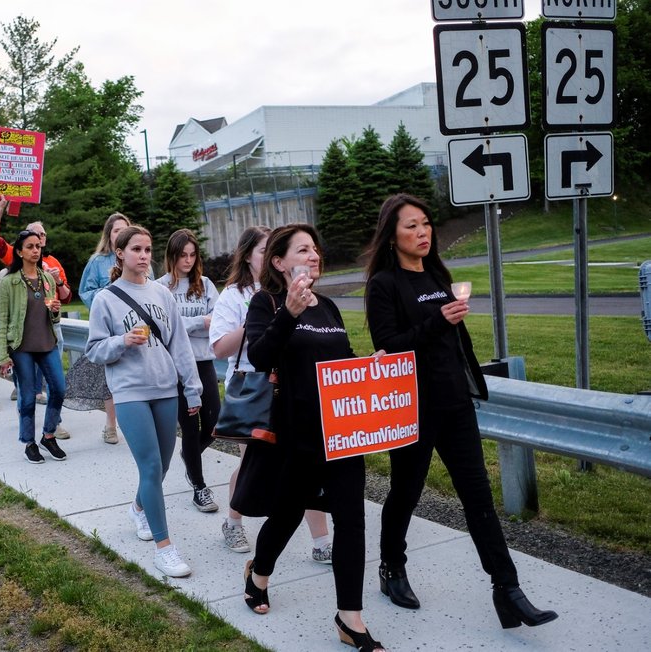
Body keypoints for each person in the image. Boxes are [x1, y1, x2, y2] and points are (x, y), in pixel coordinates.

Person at [363, 193, 558, 629]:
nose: (423, 232)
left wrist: (470, 377)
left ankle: (507, 590)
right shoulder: (385, 285)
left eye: (426, 223)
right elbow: (388, 344)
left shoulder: (436, 274)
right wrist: (439, 321)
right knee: (405, 493)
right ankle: (392, 567)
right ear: (391, 236)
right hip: (413, 409)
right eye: (411, 226)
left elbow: (452, 341)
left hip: (455, 404)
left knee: (478, 498)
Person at [241, 223, 386, 650]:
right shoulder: (266, 302)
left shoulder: (328, 306)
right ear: (280, 262)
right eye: (303, 249)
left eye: (315, 248)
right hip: (294, 435)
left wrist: (368, 365)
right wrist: (289, 312)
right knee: (286, 515)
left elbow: (338, 363)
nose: (314, 254)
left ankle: (350, 618)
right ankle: (259, 573)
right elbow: (258, 355)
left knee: (352, 520)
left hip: (341, 434)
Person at [210, 225, 333, 560]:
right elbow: (219, 348)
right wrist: (255, 320)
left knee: (306, 464)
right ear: (249, 254)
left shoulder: (297, 291)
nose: (268, 256)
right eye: (263, 250)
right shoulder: (236, 295)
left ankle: (321, 542)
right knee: (253, 463)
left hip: (293, 389)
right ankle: (234, 521)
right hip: (256, 388)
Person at [86, 225, 202, 578]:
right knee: (150, 466)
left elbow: (180, 344)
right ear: (120, 254)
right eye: (136, 249)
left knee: (163, 466)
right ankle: (164, 549)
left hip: (165, 388)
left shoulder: (162, 294)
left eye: (148, 249)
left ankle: (139, 507)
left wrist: (192, 387)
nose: (144, 255)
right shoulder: (106, 298)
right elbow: (93, 351)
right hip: (130, 391)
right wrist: (122, 341)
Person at [157, 228, 222, 513]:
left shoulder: (206, 284)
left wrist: (187, 324)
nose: (188, 260)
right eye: (183, 255)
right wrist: (198, 323)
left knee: (215, 423)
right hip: (178, 366)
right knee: (191, 428)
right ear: (172, 256)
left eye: (192, 255)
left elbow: (218, 321)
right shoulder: (160, 288)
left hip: (205, 361)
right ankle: (199, 486)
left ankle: (188, 455)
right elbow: (166, 327)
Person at [0, 230, 67, 463]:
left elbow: (53, 317)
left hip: (47, 343)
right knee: (27, 397)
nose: (36, 250)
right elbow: (2, 321)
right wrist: (2, 356)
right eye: (30, 246)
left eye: (38, 246)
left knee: (59, 388)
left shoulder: (47, 279)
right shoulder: (9, 282)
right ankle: (29, 442)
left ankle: (48, 435)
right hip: (21, 346)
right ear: (19, 251)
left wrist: (55, 311)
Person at [76, 212, 132, 444]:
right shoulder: (97, 262)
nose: (120, 234)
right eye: (116, 230)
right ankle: (111, 424)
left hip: (134, 325)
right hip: (109, 328)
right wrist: (108, 294)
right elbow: (85, 292)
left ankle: (133, 424)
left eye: (124, 229)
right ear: (108, 235)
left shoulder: (137, 257)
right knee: (110, 378)